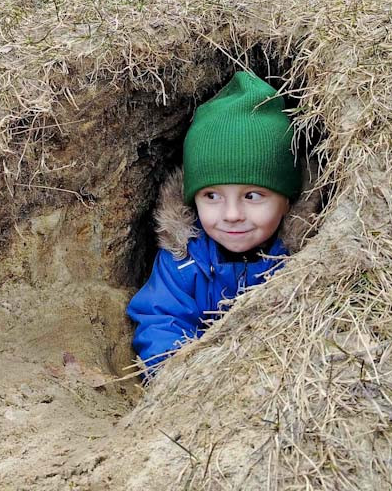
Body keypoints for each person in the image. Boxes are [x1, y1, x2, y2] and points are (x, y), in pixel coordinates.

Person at [127, 71, 304, 374]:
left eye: (252, 195)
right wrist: (184, 375)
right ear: (192, 199)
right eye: (212, 196)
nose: (232, 214)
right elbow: (160, 321)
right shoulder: (182, 259)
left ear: (287, 199)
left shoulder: (300, 259)